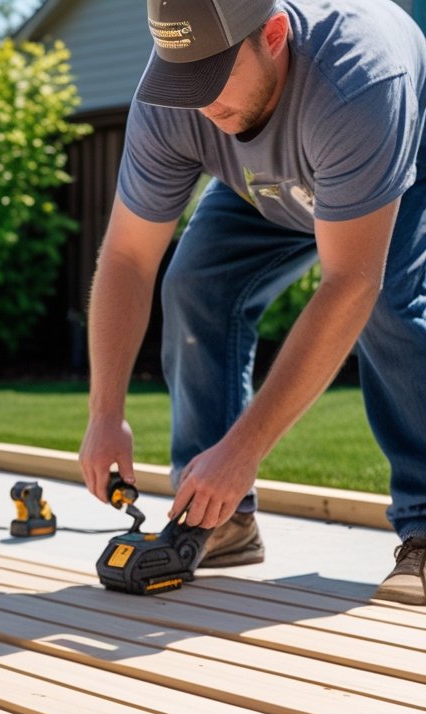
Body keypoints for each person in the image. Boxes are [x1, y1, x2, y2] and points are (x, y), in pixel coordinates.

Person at [78, 0, 426, 604]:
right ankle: (220, 517)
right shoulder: (175, 100)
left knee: (388, 307)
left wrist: (244, 449)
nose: (201, 103)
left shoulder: (361, 77)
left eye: (212, 79)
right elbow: (129, 258)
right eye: (184, 78)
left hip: (387, 162)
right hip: (263, 181)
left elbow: (349, 283)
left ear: (272, 35)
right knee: (196, 285)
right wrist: (104, 412)